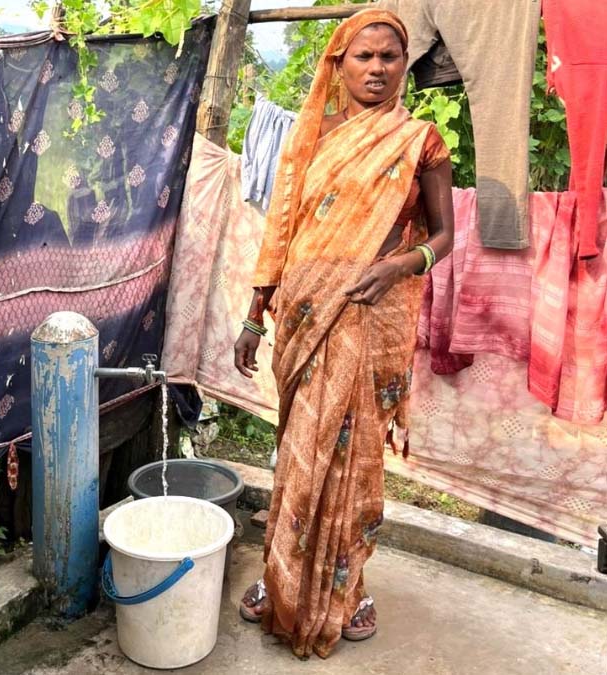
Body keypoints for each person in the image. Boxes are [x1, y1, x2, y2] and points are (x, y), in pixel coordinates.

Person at [233, 8, 454, 659]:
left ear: (401, 65)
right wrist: (253, 312)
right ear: (339, 63)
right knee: (299, 451)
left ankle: (347, 582)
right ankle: (281, 576)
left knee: (352, 460)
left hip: (368, 318)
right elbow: (281, 230)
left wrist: (396, 265)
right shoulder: (312, 136)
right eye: (364, 56)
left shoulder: (420, 140)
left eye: (390, 57)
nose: (378, 68)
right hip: (304, 316)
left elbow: (444, 236)